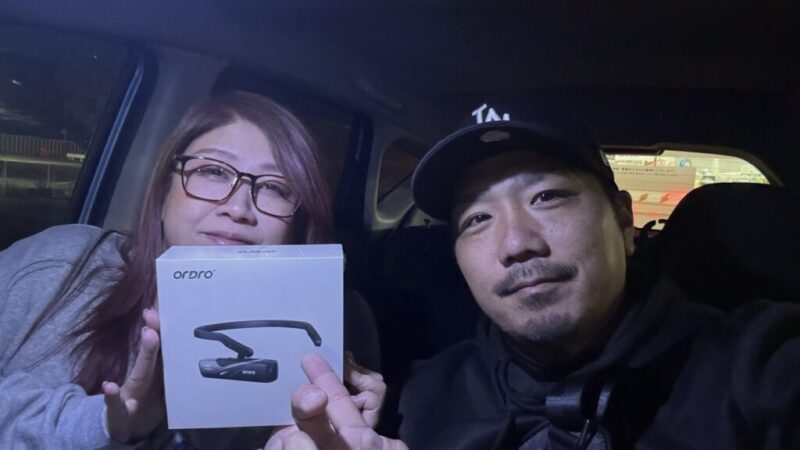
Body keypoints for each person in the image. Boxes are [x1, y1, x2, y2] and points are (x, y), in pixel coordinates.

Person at [270, 97, 800, 450]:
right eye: (477, 219)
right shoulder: (417, 399)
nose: (516, 244)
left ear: (624, 221)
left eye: (547, 197)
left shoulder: (759, 367)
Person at [0, 91, 382, 449]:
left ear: (297, 224)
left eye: (276, 188)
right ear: (165, 189)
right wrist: (99, 423)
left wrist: (325, 435)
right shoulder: (65, 262)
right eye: (214, 171)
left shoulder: (308, 350)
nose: (239, 208)